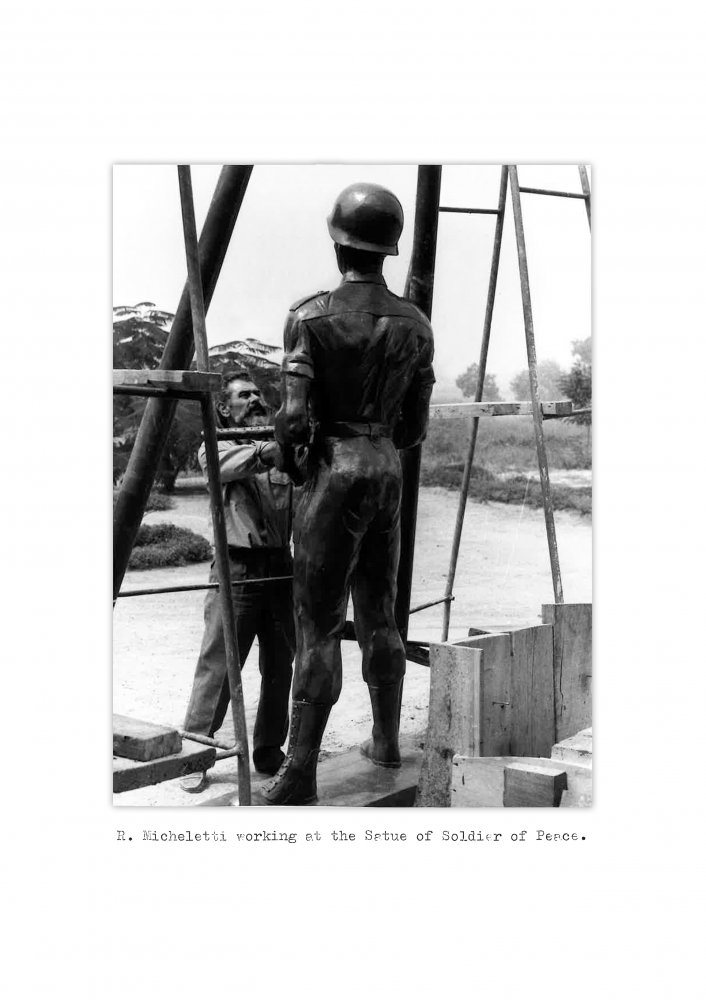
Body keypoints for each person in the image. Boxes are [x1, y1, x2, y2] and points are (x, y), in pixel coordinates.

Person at [263, 182, 435, 806]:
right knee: (381, 613)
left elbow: (290, 418)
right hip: (386, 467)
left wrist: (292, 459)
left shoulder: (309, 316)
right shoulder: (416, 323)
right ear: (387, 249)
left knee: (318, 625)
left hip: (333, 471)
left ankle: (300, 772)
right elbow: (414, 428)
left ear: (339, 244)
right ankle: (386, 744)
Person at [181, 372, 295, 792]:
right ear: (226, 409)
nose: (256, 400)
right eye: (244, 395)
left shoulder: (283, 455)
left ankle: (268, 752)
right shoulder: (217, 450)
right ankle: (194, 755)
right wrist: (271, 452)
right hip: (237, 569)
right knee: (220, 666)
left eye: (259, 394)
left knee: (280, 666)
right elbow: (221, 465)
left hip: (282, 568)